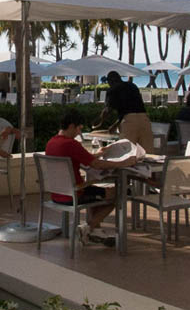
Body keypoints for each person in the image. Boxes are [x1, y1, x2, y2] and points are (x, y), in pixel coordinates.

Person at [45, 108, 139, 246]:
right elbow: (97, 165)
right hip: (75, 194)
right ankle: (88, 228)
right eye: (78, 129)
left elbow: (86, 158)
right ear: (71, 126)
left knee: (99, 192)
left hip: (58, 193)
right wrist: (124, 163)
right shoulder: (71, 144)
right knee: (119, 193)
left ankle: (93, 231)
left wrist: (98, 154)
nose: (79, 133)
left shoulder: (51, 143)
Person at [95, 70, 153, 153]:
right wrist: (115, 125)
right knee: (147, 153)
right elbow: (128, 110)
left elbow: (108, 109)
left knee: (127, 153)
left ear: (110, 81)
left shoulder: (112, 90)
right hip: (144, 119)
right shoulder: (132, 86)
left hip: (129, 122)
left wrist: (100, 121)